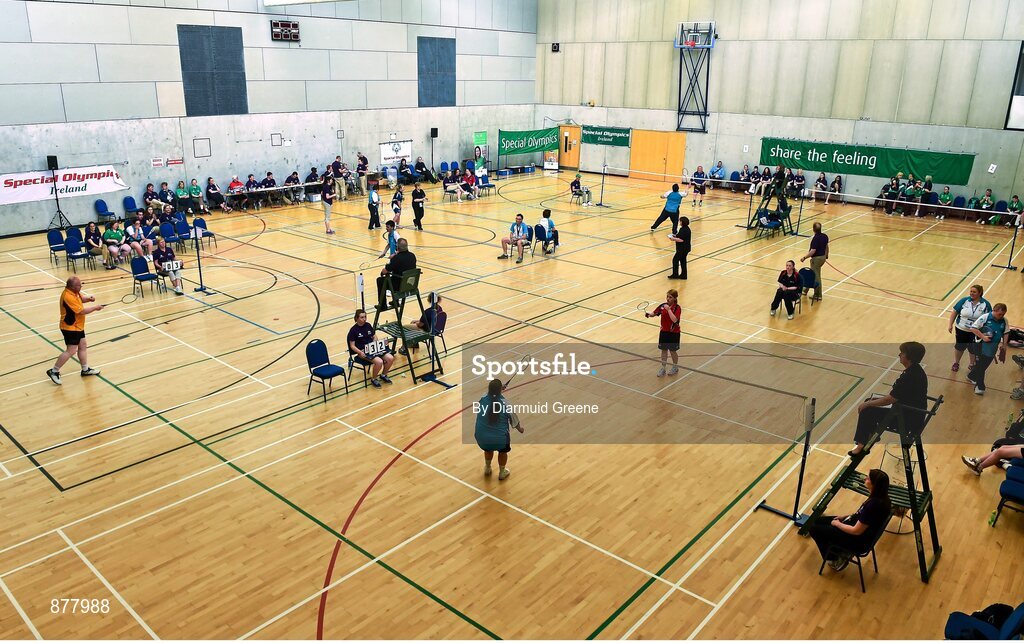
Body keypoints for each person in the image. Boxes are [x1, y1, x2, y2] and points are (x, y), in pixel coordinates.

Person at [850, 341, 928, 456]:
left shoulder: (910, 376)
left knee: (867, 409)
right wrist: (871, 402)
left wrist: (867, 405)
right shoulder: (916, 370)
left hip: (906, 419)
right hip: (910, 412)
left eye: (902, 353)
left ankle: (861, 444)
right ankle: (869, 436)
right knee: (870, 402)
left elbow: (890, 399)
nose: (899, 355)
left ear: (909, 357)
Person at [807, 469, 892, 571]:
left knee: (813, 528)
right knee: (817, 521)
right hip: (859, 530)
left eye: (868, 478)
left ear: (874, 484)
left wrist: (837, 524)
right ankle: (837, 550)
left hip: (858, 540)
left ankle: (835, 560)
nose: (865, 478)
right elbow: (862, 515)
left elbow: (856, 531)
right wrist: (844, 517)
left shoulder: (873, 505)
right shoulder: (882, 498)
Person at [46, 276, 103, 385]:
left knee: (82, 346)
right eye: (79, 285)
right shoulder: (68, 296)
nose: (81, 286)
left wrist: (89, 299)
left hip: (78, 326)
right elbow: (81, 311)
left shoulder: (74, 292)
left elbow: (81, 299)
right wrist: (95, 308)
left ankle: (85, 370)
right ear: (72, 286)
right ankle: (54, 371)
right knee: (71, 350)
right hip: (69, 327)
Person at [474, 378, 525, 480]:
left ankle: (487, 468)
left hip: (481, 438)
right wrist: (520, 429)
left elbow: (490, 395)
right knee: (502, 452)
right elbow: (515, 421)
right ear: (500, 390)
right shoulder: (506, 404)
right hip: (499, 440)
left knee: (488, 447)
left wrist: (498, 390)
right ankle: (502, 472)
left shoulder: (483, 398)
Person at [347, 309, 395, 389]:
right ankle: (374, 379)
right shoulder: (353, 330)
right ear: (357, 318)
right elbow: (352, 346)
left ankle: (383, 375)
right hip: (363, 352)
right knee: (379, 362)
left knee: (390, 358)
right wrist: (360, 352)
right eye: (362, 317)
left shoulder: (368, 325)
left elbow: (374, 336)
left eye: (365, 317)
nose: (364, 319)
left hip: (373, 349)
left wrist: (374, 342)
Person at [967, 303, 1008, 395]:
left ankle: (971, 376)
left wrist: (1004, 345)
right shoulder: (985, 317)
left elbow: (1006, 332)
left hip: (992, 348)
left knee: (983, 366)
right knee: (981, 367)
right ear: (994, 311)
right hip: (980, 346)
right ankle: (980, 387)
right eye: (1000, 314)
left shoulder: (1004, 321)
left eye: (1003, 314)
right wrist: (983, 337)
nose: (1002, 316)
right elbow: (973, 328)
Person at [948, 285, 992, 373]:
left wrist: (986, 332)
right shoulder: (964, 301)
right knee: (959, 347)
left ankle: (972, 364)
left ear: (980, 293)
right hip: (961, 329)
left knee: (973, 348)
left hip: (976, 331)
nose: (971, 293)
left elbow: (989, 318)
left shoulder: (985, 304)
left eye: (974, 292)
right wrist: (950, 324)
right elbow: (954, 312)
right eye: (971, 291)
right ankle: (956, 363)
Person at [645, 289, 681, 377]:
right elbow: (655, 313)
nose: (668, 299)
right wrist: (649, 315)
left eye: (670, 297)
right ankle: (663, 368)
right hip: (664, 332)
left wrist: (668, 310)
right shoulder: (662, 306)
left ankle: (675, 367)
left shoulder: (677, 308)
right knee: (664, 351)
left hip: (674, 333)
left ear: (675, 298)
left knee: (672, 351)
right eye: (667, 297)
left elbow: (675, 320)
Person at [377, 238, 416, 309]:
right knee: (397, 275)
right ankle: (395, 301)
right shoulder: (412, 256)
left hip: (399, 285)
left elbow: (385, 271)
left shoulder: (397, 258)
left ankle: (382, 305)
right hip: (410, 284)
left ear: (397, 247)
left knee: (380, 280)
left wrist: (383, 271)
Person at [800, 222, 828, 301]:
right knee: (812, 274)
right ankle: (805, 290)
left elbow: (813, 251)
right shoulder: (825, 236)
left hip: (816, 259)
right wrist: (826, 256)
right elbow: (826, 247)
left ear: (813, 229)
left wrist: (804, 257)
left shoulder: (815, 238)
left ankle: (818, 295)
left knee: (816, 277)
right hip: (822, 258)